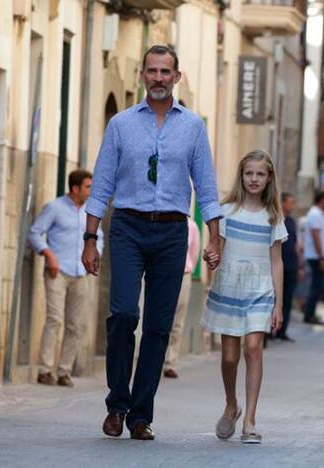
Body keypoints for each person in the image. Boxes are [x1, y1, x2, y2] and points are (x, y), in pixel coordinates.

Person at [82, 45, 222, 441]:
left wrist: (216, 237)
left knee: (159, 327)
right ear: (142, 75)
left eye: (166, 72)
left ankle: (140, 415)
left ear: (177, 77)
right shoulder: (121, 124)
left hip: (173, 231)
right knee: (124, 313)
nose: (159, 78)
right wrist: (91, 239)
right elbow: (103, 183)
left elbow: (207, 186)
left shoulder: (193, 126)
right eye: (152, 71)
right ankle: (116, 404)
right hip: (127, 225)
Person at [201, 150, 287, 444]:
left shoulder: (273, 216)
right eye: (249, 173)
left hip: (261, 288)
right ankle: (231, 404)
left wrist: (279, 304)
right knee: (229, 356)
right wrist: (211, 256)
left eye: (260, 174)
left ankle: (250, 419)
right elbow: (217, 250)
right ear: (242, 176)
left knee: (253, 348)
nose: (254, 179)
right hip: (230, 287)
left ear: (269, 178)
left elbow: (277, 261)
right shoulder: (226, 211)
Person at [28, 169, 103, 387]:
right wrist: (48, 254)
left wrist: (96, 255)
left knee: (75, 324)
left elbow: (99, 239)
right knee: (55, 319)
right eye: (88, 186)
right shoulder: (55, 208)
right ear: (75, 188)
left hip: (81, 273)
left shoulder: (91, 211)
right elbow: (34, 232)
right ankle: (44, 370)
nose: (91, 190)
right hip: (57, 271)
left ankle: (64, 371)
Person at [163, 218, 201, 378]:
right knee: (160, 317)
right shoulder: (164, 221)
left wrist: (188, 267)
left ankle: (170, 362)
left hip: (183, 274)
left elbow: (194, 252)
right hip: (163, 273)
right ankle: (155, 358)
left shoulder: (192, 226)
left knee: (177, 321)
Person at [275, 192, 303, 342]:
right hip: (277, 266)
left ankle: (282, 331)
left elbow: (296, 245)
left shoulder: (291, 221)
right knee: (274, 299)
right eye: (290, 202)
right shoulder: (275, 219)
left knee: (287, 300)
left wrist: (299, 266)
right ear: (283, 203)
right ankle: (268, 332)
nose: (292, 206)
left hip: (291, 265)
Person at [303, 191, 324, 324]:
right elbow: (316, 237)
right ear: (322, 200)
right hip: (316, 257)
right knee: (316, 286)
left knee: (317, 285)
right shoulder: (314, 214)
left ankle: (311, 313)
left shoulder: (320, 214)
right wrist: (321, 258)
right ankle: (309, 315)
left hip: (318, 256)